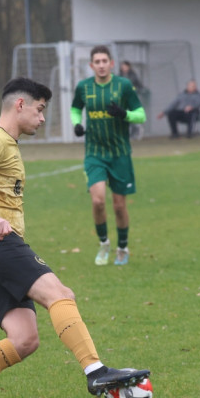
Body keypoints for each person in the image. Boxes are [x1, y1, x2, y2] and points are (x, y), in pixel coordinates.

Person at [0, 77, 150, 398]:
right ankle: (95, 371)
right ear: (20, 105)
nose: (42, 119)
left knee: (25, 340)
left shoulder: (8, 144)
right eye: (40, 110)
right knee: (60, 293)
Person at [70, 45, 146, 267]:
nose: (101, 65)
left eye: (105, 61)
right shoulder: (83, 87)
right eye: (97, 61)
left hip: (120, 154)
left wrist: (125, 114)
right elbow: (76, 109)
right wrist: (76, 124)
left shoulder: (123, 86)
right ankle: (104, 243)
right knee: (98, 200)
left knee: (120, 205)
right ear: (91, 65)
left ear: (111, 64)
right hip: (95, 153)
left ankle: (122, 247)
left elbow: (141, 115)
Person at [119, 60, 145, 142]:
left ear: (129, 67)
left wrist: (135, 91)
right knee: (125, 117)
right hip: (123, 99)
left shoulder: (133, 75)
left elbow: (140, 86)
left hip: (132, 99)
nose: (123, 68)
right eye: (122, 66)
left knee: (134, 117)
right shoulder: (119, 76)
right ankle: (127, 135)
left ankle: (137, 133)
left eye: (125, 66)